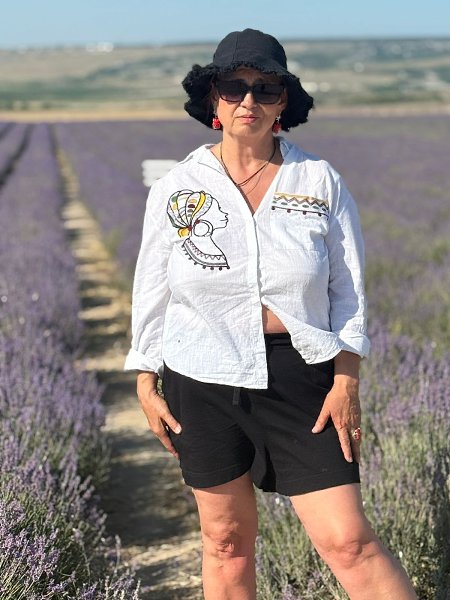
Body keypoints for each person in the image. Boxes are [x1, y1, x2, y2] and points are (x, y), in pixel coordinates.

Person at [124, 28, 417, 600]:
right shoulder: (177, 187)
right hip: (200, 376)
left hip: (301, 376)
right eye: (234, 88)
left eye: (265, 88)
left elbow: (349, 293)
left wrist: (346, 380)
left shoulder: (319, 181)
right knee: (225, 542)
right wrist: (143, 377)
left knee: (349, 542)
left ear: (284, 101)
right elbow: (152, 288)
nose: (249, 101)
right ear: (214, 99)